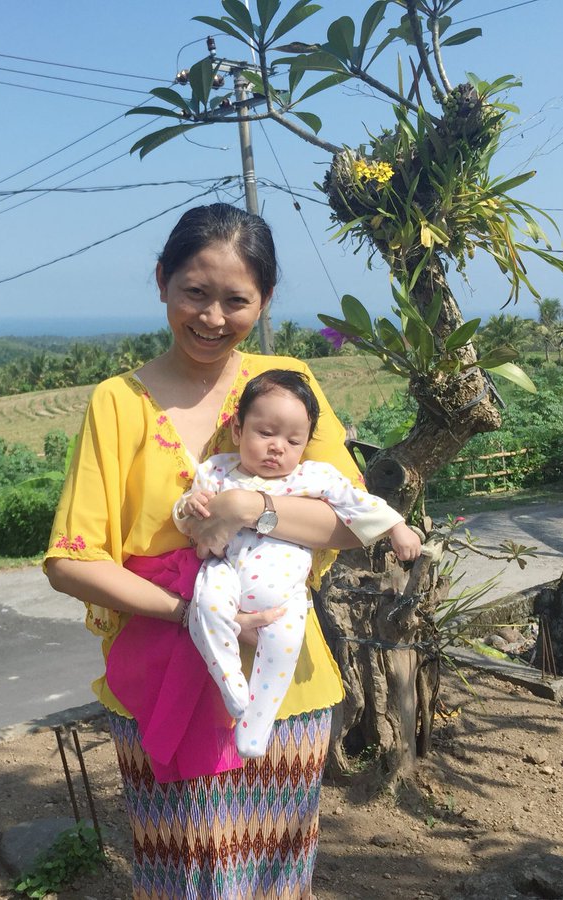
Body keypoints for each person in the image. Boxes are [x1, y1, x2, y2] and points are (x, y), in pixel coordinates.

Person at [45, 203, 369, 898]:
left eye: (236, 300)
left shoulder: (285, 388)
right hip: (166, 686)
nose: (212, 317)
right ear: (162, 281)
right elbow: (71, 560)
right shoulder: (117, 403)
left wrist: (252, 505)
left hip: (290, 694)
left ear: (266, 300)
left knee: (281, 884)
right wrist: (191, 609)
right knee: (184, 882)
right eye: (195, 292)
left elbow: (350, 522)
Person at [175, 368, 420, 759]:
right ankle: (232, 685)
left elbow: (360, 504)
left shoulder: (314, 476)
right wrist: (187, 507)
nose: (277, 448)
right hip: (225, 570)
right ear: (238, 430)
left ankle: (256, 723)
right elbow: (189, 514)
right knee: (207, 609)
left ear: (306, 444)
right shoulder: (218, 470)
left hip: (287, 594)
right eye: (265, 433)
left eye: (293, 440)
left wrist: (397, 527)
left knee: (284, 647)